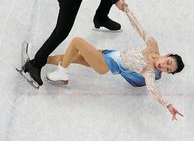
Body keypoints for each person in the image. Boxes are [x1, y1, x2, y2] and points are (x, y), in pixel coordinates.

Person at [46, 7, 185, 121]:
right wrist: (126, 9)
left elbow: (153, 90)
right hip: (109, 53)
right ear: (167, 55)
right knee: (74, 57)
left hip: (107, 64)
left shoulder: (149, 71)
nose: (164, 66)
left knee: (77, 42)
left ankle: (62, 74)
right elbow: (139, 27)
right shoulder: (153, 45)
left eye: (168, 69)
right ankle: (39, 61)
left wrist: (167, 105)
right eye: (168, 62)